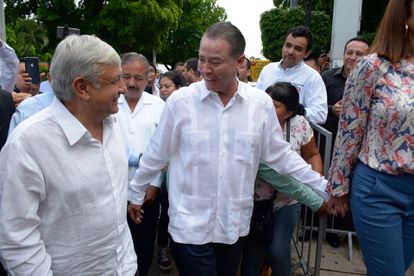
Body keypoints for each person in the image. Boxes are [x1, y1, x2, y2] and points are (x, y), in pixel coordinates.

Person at [127, 22, 328, 276]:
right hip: (189, 226)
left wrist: (322, 186)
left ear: (239, 61)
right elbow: (157, 153)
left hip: (234, 226)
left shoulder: (259, 104)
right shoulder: (181, 102)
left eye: (216, 62)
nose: (205, 69)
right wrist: (137, 194)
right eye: (201, 59)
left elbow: (281, 155)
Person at [0, 35, 137, 275]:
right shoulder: (28, 144)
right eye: (115, 80)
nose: (124, 88)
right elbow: (16, 238)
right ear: (82, 87)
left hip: (124, 267)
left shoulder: (114, 123)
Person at [328, 0, 414, 275]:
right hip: (380, 189)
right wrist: (338, 188)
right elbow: (349, 131)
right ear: (404, 14)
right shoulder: (372, 66)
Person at [241, 82, 323, 276]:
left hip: (288, 200)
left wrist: (316, 182)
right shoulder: (250, 124)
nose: (267, 106)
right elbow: (268, 171)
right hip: (254, 201)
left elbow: (312, 154)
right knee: (253, 256)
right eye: (266, 101)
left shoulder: (299, 124)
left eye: (275, 104)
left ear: (289, 112)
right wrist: (314, 197)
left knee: (278, 251)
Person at [117, 52, 165, 276]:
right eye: (126, 76)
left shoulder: (160, 106)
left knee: (144, 244)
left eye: (138, 77)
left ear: (149, 79)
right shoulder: (109, 104)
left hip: (148, 192)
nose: (131, 83)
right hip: (114, 189)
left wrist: (155, 183)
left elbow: (164, 150)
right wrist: (139, 158)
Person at [321, 37, 370, 248]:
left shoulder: (373, 79)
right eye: (349, 52)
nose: (353, 57)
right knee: (324, 184)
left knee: (349, 187)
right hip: (329, 143)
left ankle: (339, 231)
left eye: (359, 54)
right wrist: (332, 108)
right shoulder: (327, 77)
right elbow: (316, 106)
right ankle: (317, 227)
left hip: (360, 149)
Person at [255, 26, 327, 124]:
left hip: (291, 136)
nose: (290, 52)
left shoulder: (313, 78)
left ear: (306, 53)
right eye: (288, 45)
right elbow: (255, 100)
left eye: (297, 49)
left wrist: (292, 110)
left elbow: (320, 115)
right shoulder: (268, 69)